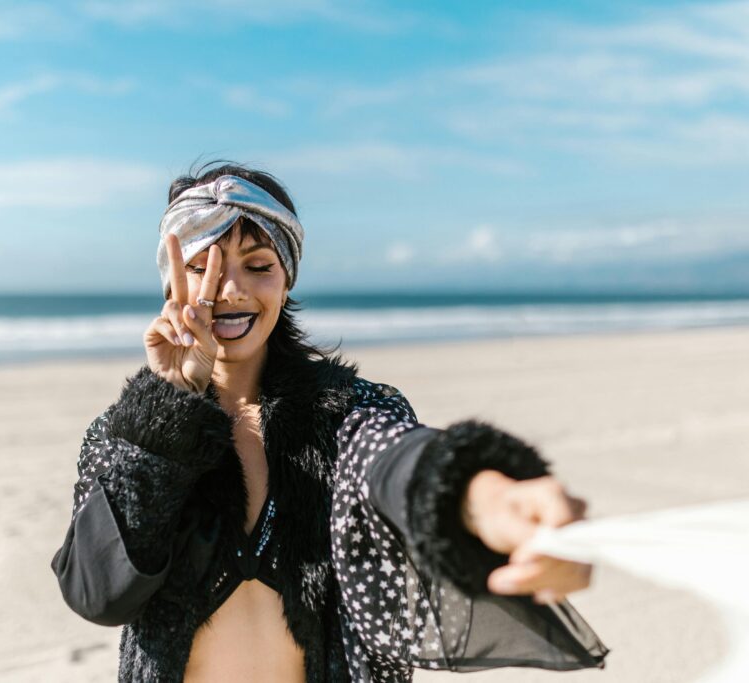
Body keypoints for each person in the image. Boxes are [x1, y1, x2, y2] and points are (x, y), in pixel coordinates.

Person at [51, 162, 609, 682]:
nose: (229, 290)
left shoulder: (346, 413)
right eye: (200, 268)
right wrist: (167, 409)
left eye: (258, 265)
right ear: (171, 285)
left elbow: (394, 460)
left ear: (287, 279)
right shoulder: (122, 436)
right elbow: (98, 594)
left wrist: (480, 495)